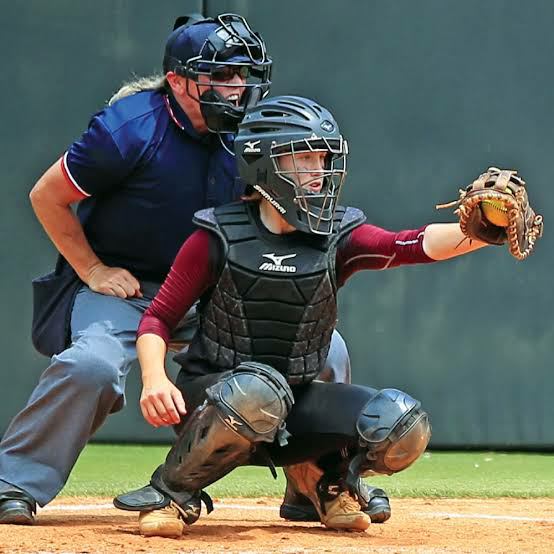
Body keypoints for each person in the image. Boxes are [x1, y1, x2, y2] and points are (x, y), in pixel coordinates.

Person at [113, 94, 501, 537]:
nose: (318, 172)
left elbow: (408, 244)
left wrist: (483, 230)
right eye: (303, 159)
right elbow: (158, 319)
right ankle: (172, 492)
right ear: (262, 165)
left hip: (293, 398)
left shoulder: (338, 234)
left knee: (401, 423)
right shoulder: (216, 235)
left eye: (322, 158)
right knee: (256, 389)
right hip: (214, 397)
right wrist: (154, 379)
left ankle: (324, 481)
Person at [0, 13, 277, 525]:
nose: (236, 89)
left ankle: (323, 483)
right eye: (221, 76)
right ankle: (12, 482)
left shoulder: (252, 135)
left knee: (321, 349)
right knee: (92, 366)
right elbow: (47, 196)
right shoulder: (127, 129)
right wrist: (92, 269)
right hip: (127, 289)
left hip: (212, 292)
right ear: (177, 81)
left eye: (242, 76)